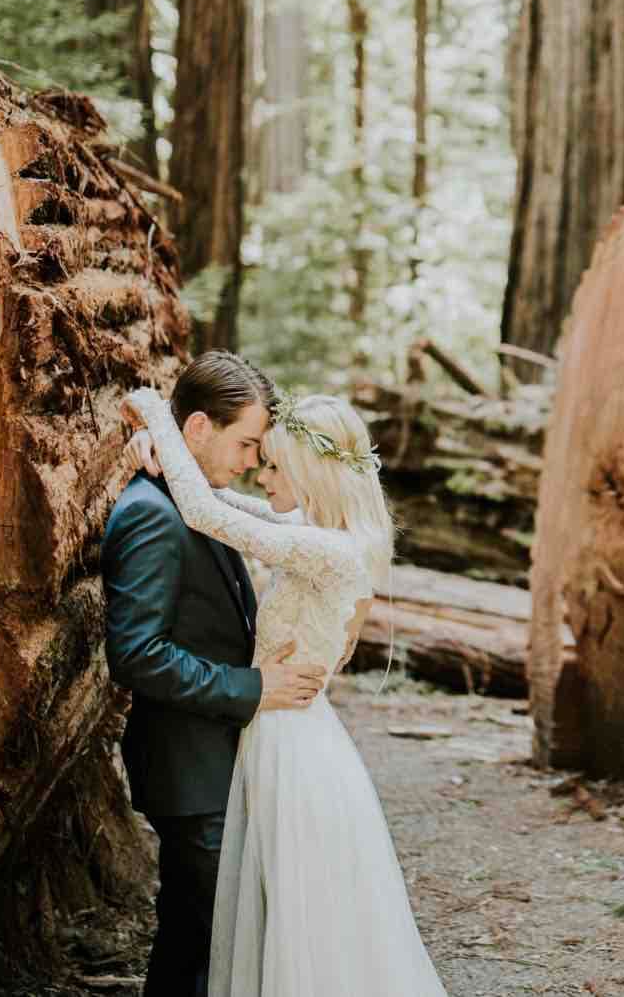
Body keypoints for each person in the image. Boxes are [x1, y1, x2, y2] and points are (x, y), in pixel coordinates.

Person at [121, 383, 449, 997]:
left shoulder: (327, 548)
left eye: (273, 465)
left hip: (291, 741)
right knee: (272, 911)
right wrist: (161, 450)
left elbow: (207, 514)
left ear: (311, 471)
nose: (261, 476)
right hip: (279, 729)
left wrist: (151, 413)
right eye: (260, 458)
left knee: (287, 914)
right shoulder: (316, 529)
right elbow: (222, 499)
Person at [102, 351, 327, 997]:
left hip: (217, 761)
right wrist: (253, 689)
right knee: (205, 944)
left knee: (198, 941)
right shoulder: (152, 512)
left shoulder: (199, 499)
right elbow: (138, 654)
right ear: (197, 428)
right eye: (246, 442)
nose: (253, 461)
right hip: (189, 768)